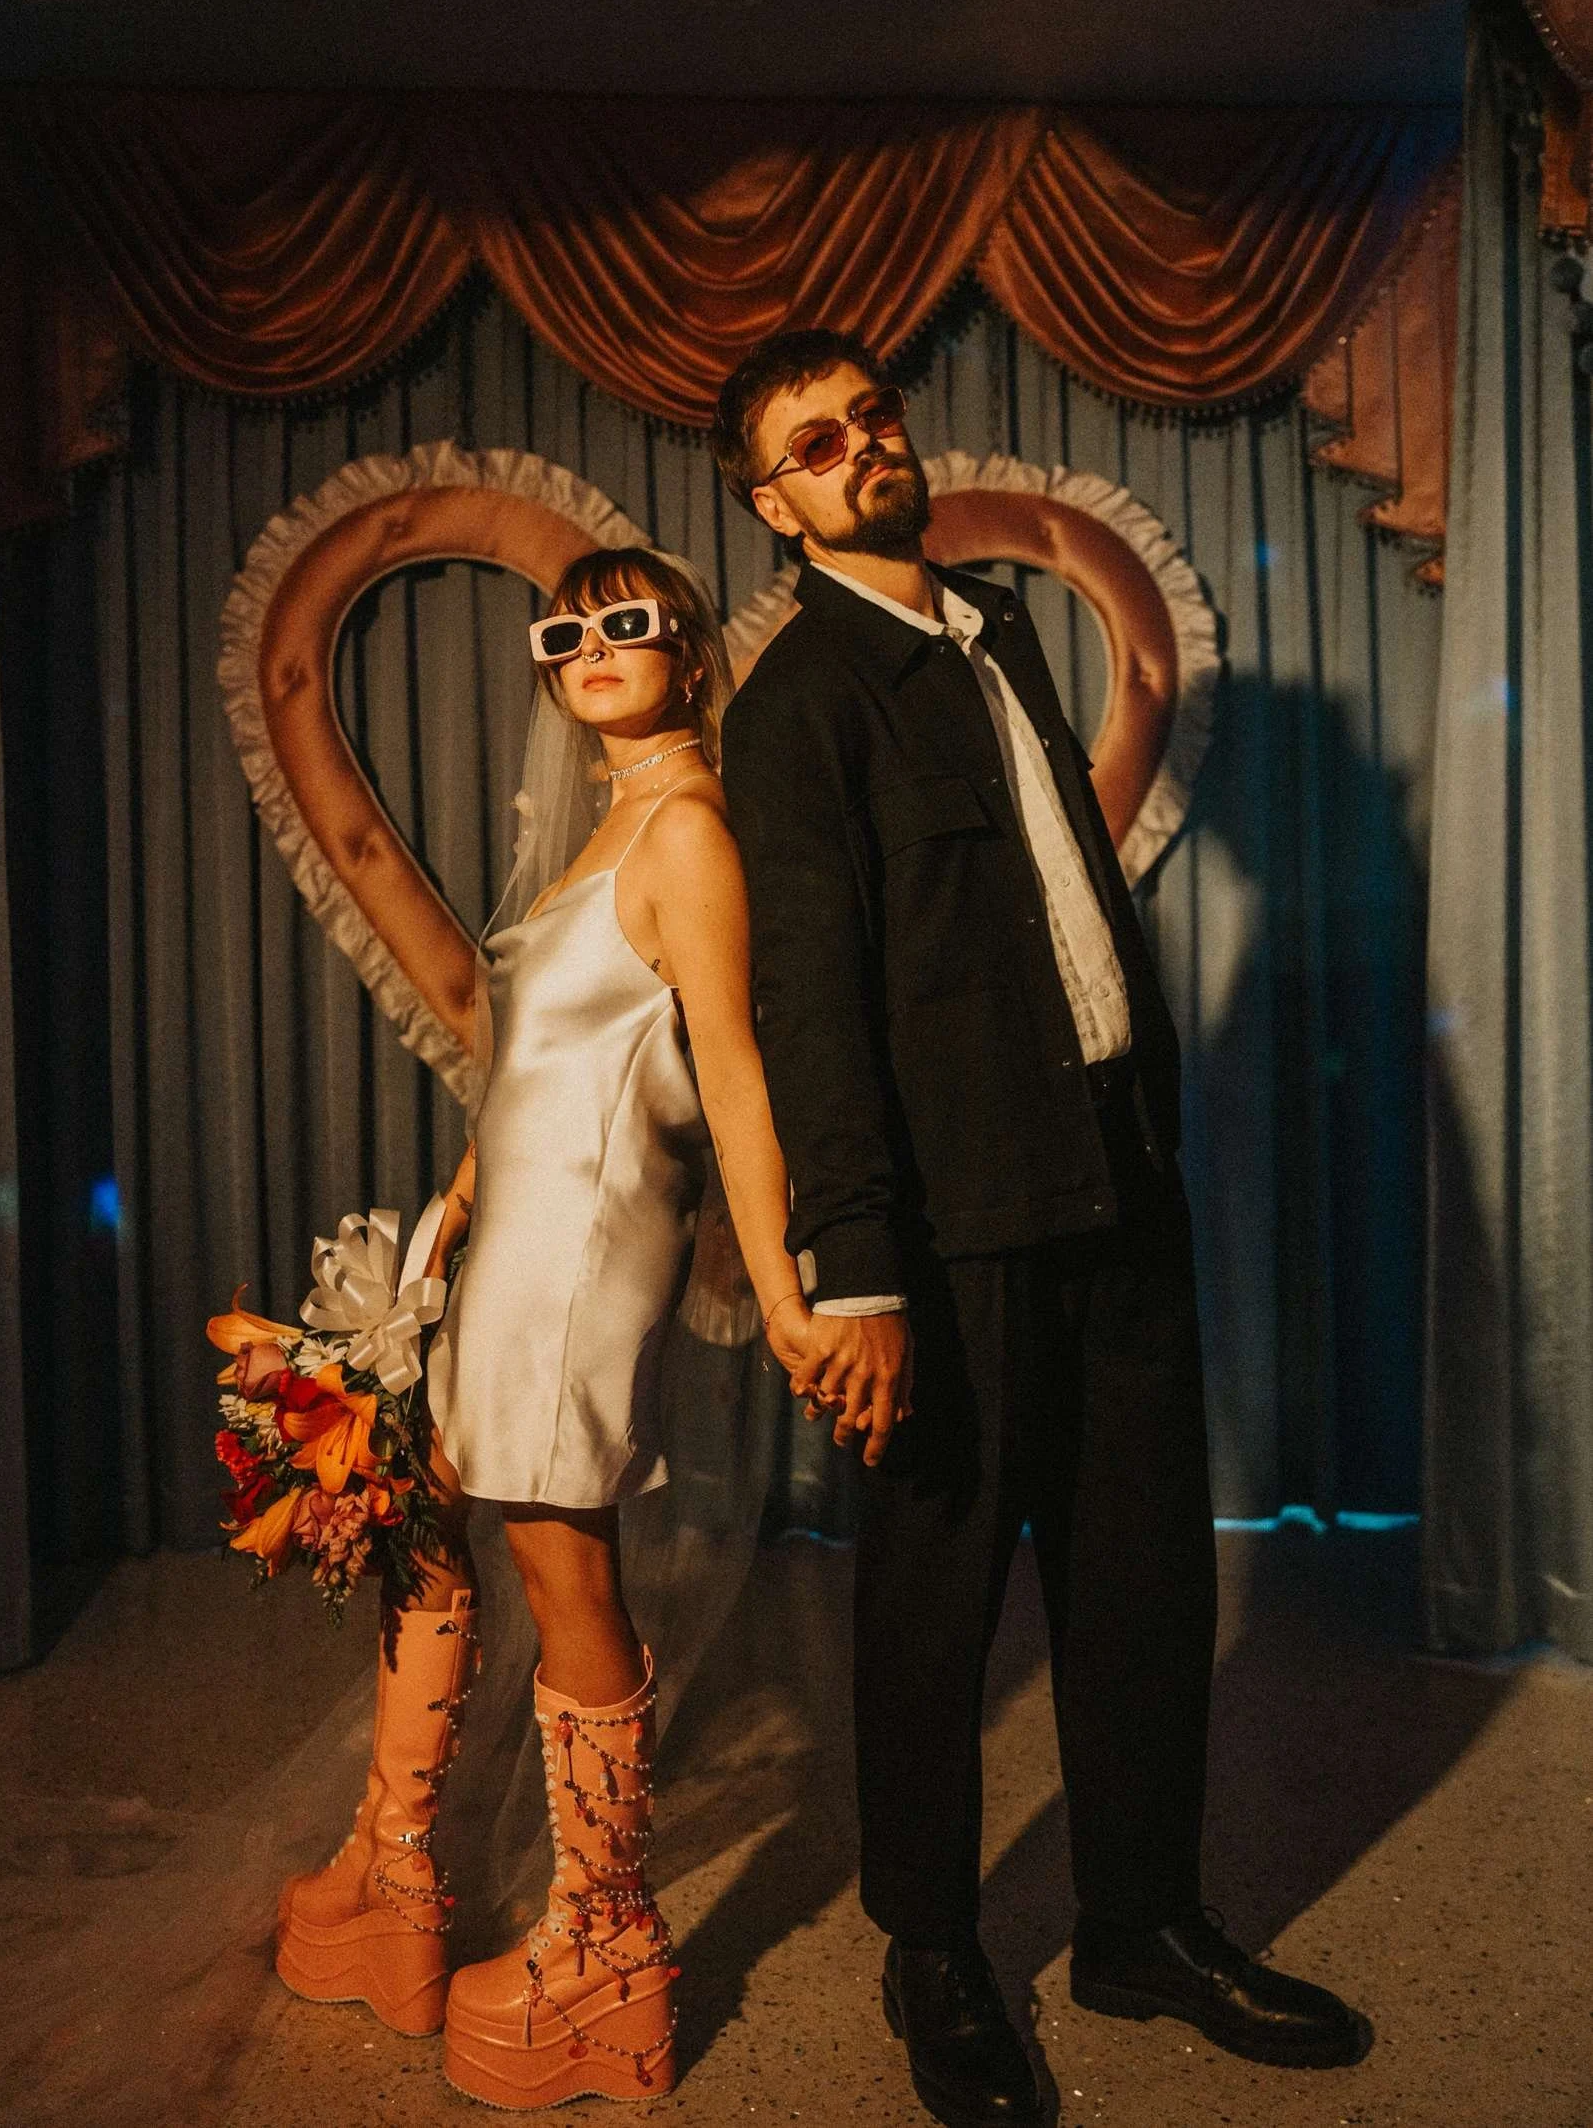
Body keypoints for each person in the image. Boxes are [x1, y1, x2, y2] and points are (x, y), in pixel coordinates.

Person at [711, 331, 1367, 2128]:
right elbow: (811, 1006)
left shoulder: (992, 626)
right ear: (774, 503)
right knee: (929, 1610)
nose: (862, 450)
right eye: (814, 444)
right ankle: (929, 1947)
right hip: (946, 1232)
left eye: (871, 419)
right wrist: (853, 1268)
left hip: (1113, 1186)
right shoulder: (792, 707)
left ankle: (1139, 1926)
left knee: (1146, 1576)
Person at [273, 546, 820, 2108]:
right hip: (508, 1234)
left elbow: (728, 1076)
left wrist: (779, 1286)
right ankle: (395, 1873)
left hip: (587, 1250)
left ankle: (605, 1942)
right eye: (562, 629)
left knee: (555, 1555)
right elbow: (534, 1068)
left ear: (692, 655)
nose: (587, 645)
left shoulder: (694, 834)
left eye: (626, 621)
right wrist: (451, 1205)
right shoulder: (609, 824)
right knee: (431, 1527)